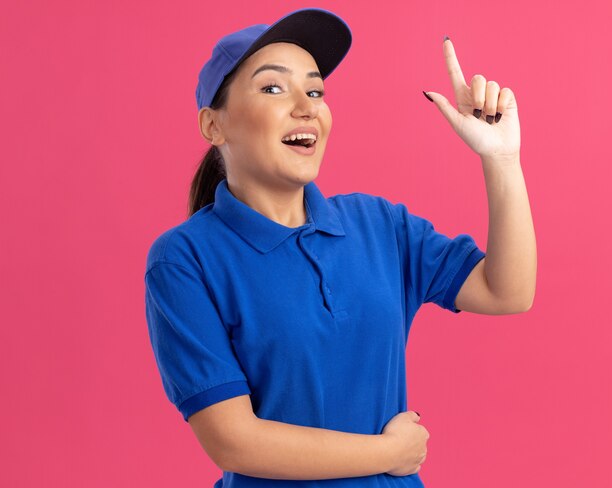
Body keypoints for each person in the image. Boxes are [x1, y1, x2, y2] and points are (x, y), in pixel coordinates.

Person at [144, 7, 536, 488]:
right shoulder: (184, 260)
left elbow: (508, 292)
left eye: (314, 91)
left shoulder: (379, 225)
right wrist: (390, 452)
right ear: (213, 126)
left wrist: (501, 159)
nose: (306, 106)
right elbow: (233, 440)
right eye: (273, 88)